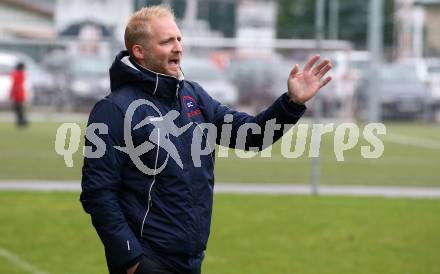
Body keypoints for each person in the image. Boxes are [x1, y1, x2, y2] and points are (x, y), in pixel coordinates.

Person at [80, 5, 332, 274]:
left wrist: (291, 103)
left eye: (178, 39)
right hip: (148, 261)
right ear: (139, 52)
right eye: (167, 41)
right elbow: (98, 192)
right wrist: (129, 258)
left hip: (190, 259)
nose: (178, 47)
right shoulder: (114, 110)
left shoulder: (192, 96)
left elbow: (251, 136)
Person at [10, 62, 28, 127]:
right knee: (19, 108)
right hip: (20, 93)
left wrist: (11, 94)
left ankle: (22, 121)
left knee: (18, 108)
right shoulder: (22, 74)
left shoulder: (17, 74)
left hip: (18, 93)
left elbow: (14, 84)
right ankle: (22, 121)